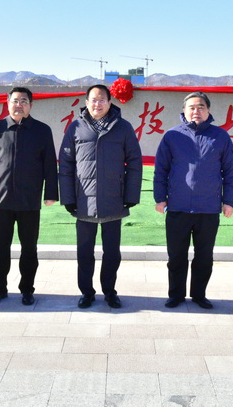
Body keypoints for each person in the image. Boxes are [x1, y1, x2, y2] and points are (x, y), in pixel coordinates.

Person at [59, 84, 142, 309]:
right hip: (83, 200)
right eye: (93, 100)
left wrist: (131, 195)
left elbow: (135, 162)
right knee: (84, 252)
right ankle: (86, 292)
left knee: (112, 252)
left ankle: (110, 291)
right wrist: (68, 198)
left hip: (113, 199)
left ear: (109, 102)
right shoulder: (75, 128)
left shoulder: (123, 127)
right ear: (86, 103)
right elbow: (66, 165)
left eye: (102, 99)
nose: (97, 104)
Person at [153, 91, 233, 310]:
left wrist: (228, 201)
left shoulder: (220, 136)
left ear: (208, 111)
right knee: (176, 256)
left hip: (208, 208)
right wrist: (160, 198)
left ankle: (199, 295)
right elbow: (161, 169)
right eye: (191, 107)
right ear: (184, 110)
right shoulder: (172, 135)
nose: (196, 111)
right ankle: (176, 295)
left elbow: (230, 170)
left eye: (201, 107)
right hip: (178, 207)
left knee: (204, 257)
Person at [0, 87, 58, 306]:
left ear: (31, 105)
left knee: (29, 249)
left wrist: (51, 193)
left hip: (29, 201)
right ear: (8, 102)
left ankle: (27, 290)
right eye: (15, 101)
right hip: (1, 201)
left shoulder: (42, 130)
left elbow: (50, 164)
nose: (19, 105)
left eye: (24, 101)